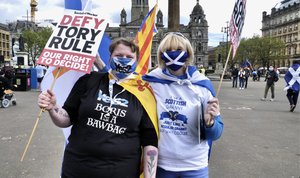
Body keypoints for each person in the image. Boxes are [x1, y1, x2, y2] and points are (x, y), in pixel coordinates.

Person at [38, 38, 158, 178]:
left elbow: (150, 141)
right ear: (110, 57)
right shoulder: (89, 80)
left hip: (121, 171)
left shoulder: (144, 92)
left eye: (129, 57)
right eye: (119, 55)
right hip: (77, 169)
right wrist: (53, 108)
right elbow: (67, 118)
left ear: (136, 60)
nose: (124, 59)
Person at [143, 32, 224, 178]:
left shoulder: (202, 85)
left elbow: (216, 134)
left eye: (179, 50)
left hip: (195, 165)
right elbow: (124, 86)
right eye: (168, 50)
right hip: (161, 164)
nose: (173, 54)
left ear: (188, 53)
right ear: (161, 54)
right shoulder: (151, 82)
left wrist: (210, 122)